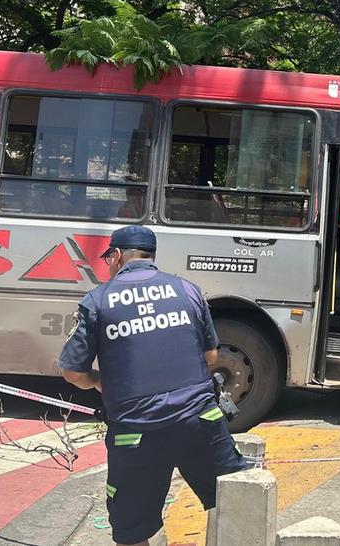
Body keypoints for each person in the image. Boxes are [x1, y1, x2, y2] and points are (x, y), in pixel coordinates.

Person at [59, 225, 246, 546]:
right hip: (200, 422)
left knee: (133, 529)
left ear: (117, 256)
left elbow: (72, 372)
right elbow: (212, 354)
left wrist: (101, 382)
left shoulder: (98, 301)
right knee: (236, 499)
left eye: (109, 258)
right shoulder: (187, 290)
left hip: (136, 433)